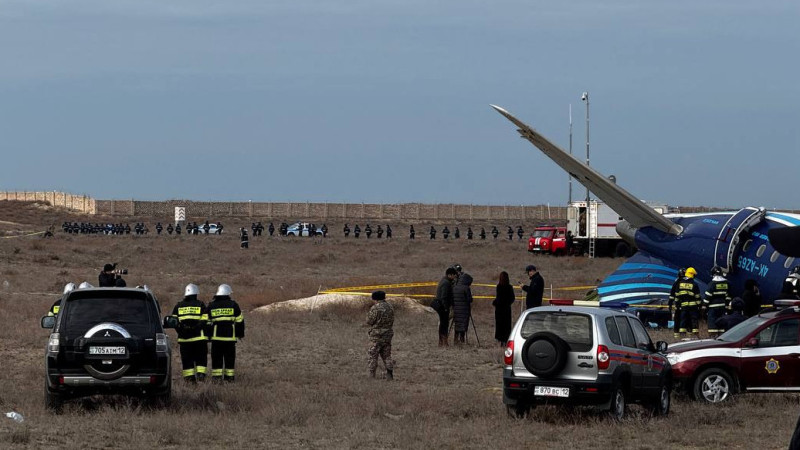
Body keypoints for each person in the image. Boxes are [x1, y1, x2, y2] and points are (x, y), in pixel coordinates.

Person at [171, 284, 209, 383]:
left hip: (184, 340)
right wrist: (196, 328)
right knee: (201, 359)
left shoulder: (178, 306)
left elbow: (173, 322)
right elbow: (205, 319)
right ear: (196, 294)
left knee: (187, 360)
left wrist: (182, 330)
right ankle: (201, 377)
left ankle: (189, 380)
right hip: (199, 339)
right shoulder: (200, 304)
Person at [207, 284, 244, 382]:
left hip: (216, 339)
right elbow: (240, 321)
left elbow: (207, 322)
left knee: (216, 359)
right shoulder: (233, 305)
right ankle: (229, 379)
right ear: (228, 293)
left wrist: (208, 336)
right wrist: (240, 334)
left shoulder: (211, 305)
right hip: (230, 339)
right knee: (229, 359)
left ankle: (216, 379)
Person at [366, 290, 394, 380]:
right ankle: (390, 375)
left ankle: (371, 376)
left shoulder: (375, 308)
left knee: (373, 355)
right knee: (387, 355)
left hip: (376, 336)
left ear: (375, 298)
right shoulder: (390, 307)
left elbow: (369, 321)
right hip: (387, 335)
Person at [704, 266, 731, 336]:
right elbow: (728, 296)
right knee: (721, 321)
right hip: (722, 307)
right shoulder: (726, 283)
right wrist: (727, 305)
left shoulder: (712, 284)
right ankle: (722, 335)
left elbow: (707, 296)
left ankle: (713, 336)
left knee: (712, 322)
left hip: (713, 307)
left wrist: (704, 306)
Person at [434, 268, 457, 346]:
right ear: (449, 275)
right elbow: (444, 296)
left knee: (443, 324)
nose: (455, 277)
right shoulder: (446, 283)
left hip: (441, 305)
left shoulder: (445, 281)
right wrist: (446, 307)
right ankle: (443, 342)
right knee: (444, 324)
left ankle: (442, 342)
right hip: (442, 306)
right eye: (454, 275)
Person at [676, 267, 702, 338]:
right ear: (693, 275)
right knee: (694, 320)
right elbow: (697, 296)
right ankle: (695, 335)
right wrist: (700, 305)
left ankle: (682, 335)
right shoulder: (694, 284)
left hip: (683, 306)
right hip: (693, 306)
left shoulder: (680, 283)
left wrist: (677, 305)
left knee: (683, 320)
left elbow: (677, 295)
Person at [493, 271, 515, 346]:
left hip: (499, 309)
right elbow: (512, 298)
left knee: (500, 324)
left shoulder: (499, 287)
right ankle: (505, 339)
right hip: (506, 309)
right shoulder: (510, 287)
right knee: (507, 325)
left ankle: (501, 340)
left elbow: (498, 298)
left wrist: (495, 303)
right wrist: (507, 303)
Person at [452, 273, 474, 345]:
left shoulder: (455, 287)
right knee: (463, 325)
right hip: (464, 310)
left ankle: (455, 340)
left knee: (457, 324)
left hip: (456, 309)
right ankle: (462, 340)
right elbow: (469, 299)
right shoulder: (466, 288)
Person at [668, 269, 686, 338]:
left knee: (678, 319)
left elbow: (672, 294)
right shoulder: (687, 282)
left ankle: (677, 335)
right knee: (684, 320)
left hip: (678, 305)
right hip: (686, 305)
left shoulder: (676, 282)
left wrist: (670, 304)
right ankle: (683, 334)